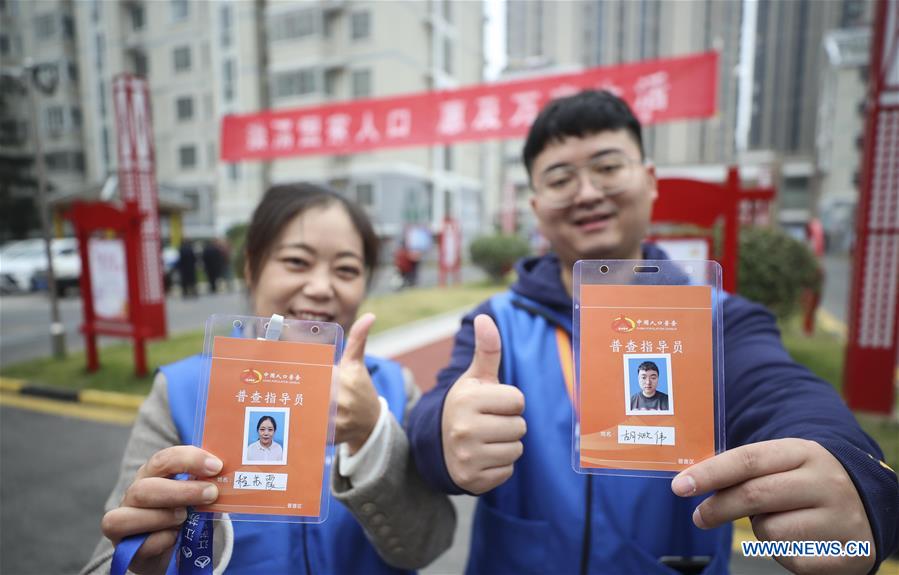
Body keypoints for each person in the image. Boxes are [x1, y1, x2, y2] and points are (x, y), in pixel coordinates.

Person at [405, 91, 898, 574]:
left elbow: (780, 391)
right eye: (560, 178)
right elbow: (435, 417)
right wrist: (442, 432)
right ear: (536, 207)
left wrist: (846, 466)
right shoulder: (496, 324)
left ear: (650, 181)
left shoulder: (719, 319)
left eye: (607, 166)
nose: (587, 192)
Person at [83, 183, 455, 574]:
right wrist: (144, 564)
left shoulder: (394, 388)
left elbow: (429, 544)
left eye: (346, 269)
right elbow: (105, 560)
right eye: (296, 261)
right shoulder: (181, 391)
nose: (320, 288)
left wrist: (370, 436)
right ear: (251, 267)